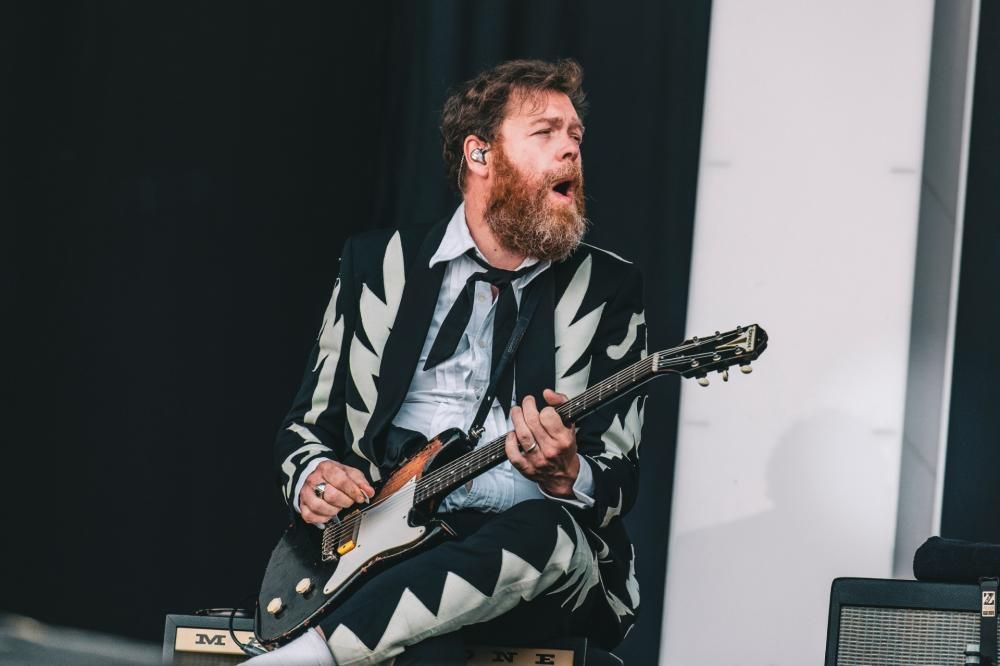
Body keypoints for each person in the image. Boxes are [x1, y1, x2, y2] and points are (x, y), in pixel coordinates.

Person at [250, 59, 646, 665]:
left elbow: (620, 473)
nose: (570, 149)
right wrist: (314, 477)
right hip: (385, 548)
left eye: (575, 135)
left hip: (534, 557)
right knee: (427, 650)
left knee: (548, 535)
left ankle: (312, 659)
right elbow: (306, 427)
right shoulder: (376, 264)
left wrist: (570, 473)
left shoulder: (608, 287)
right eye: (545, 132)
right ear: (479, 154)